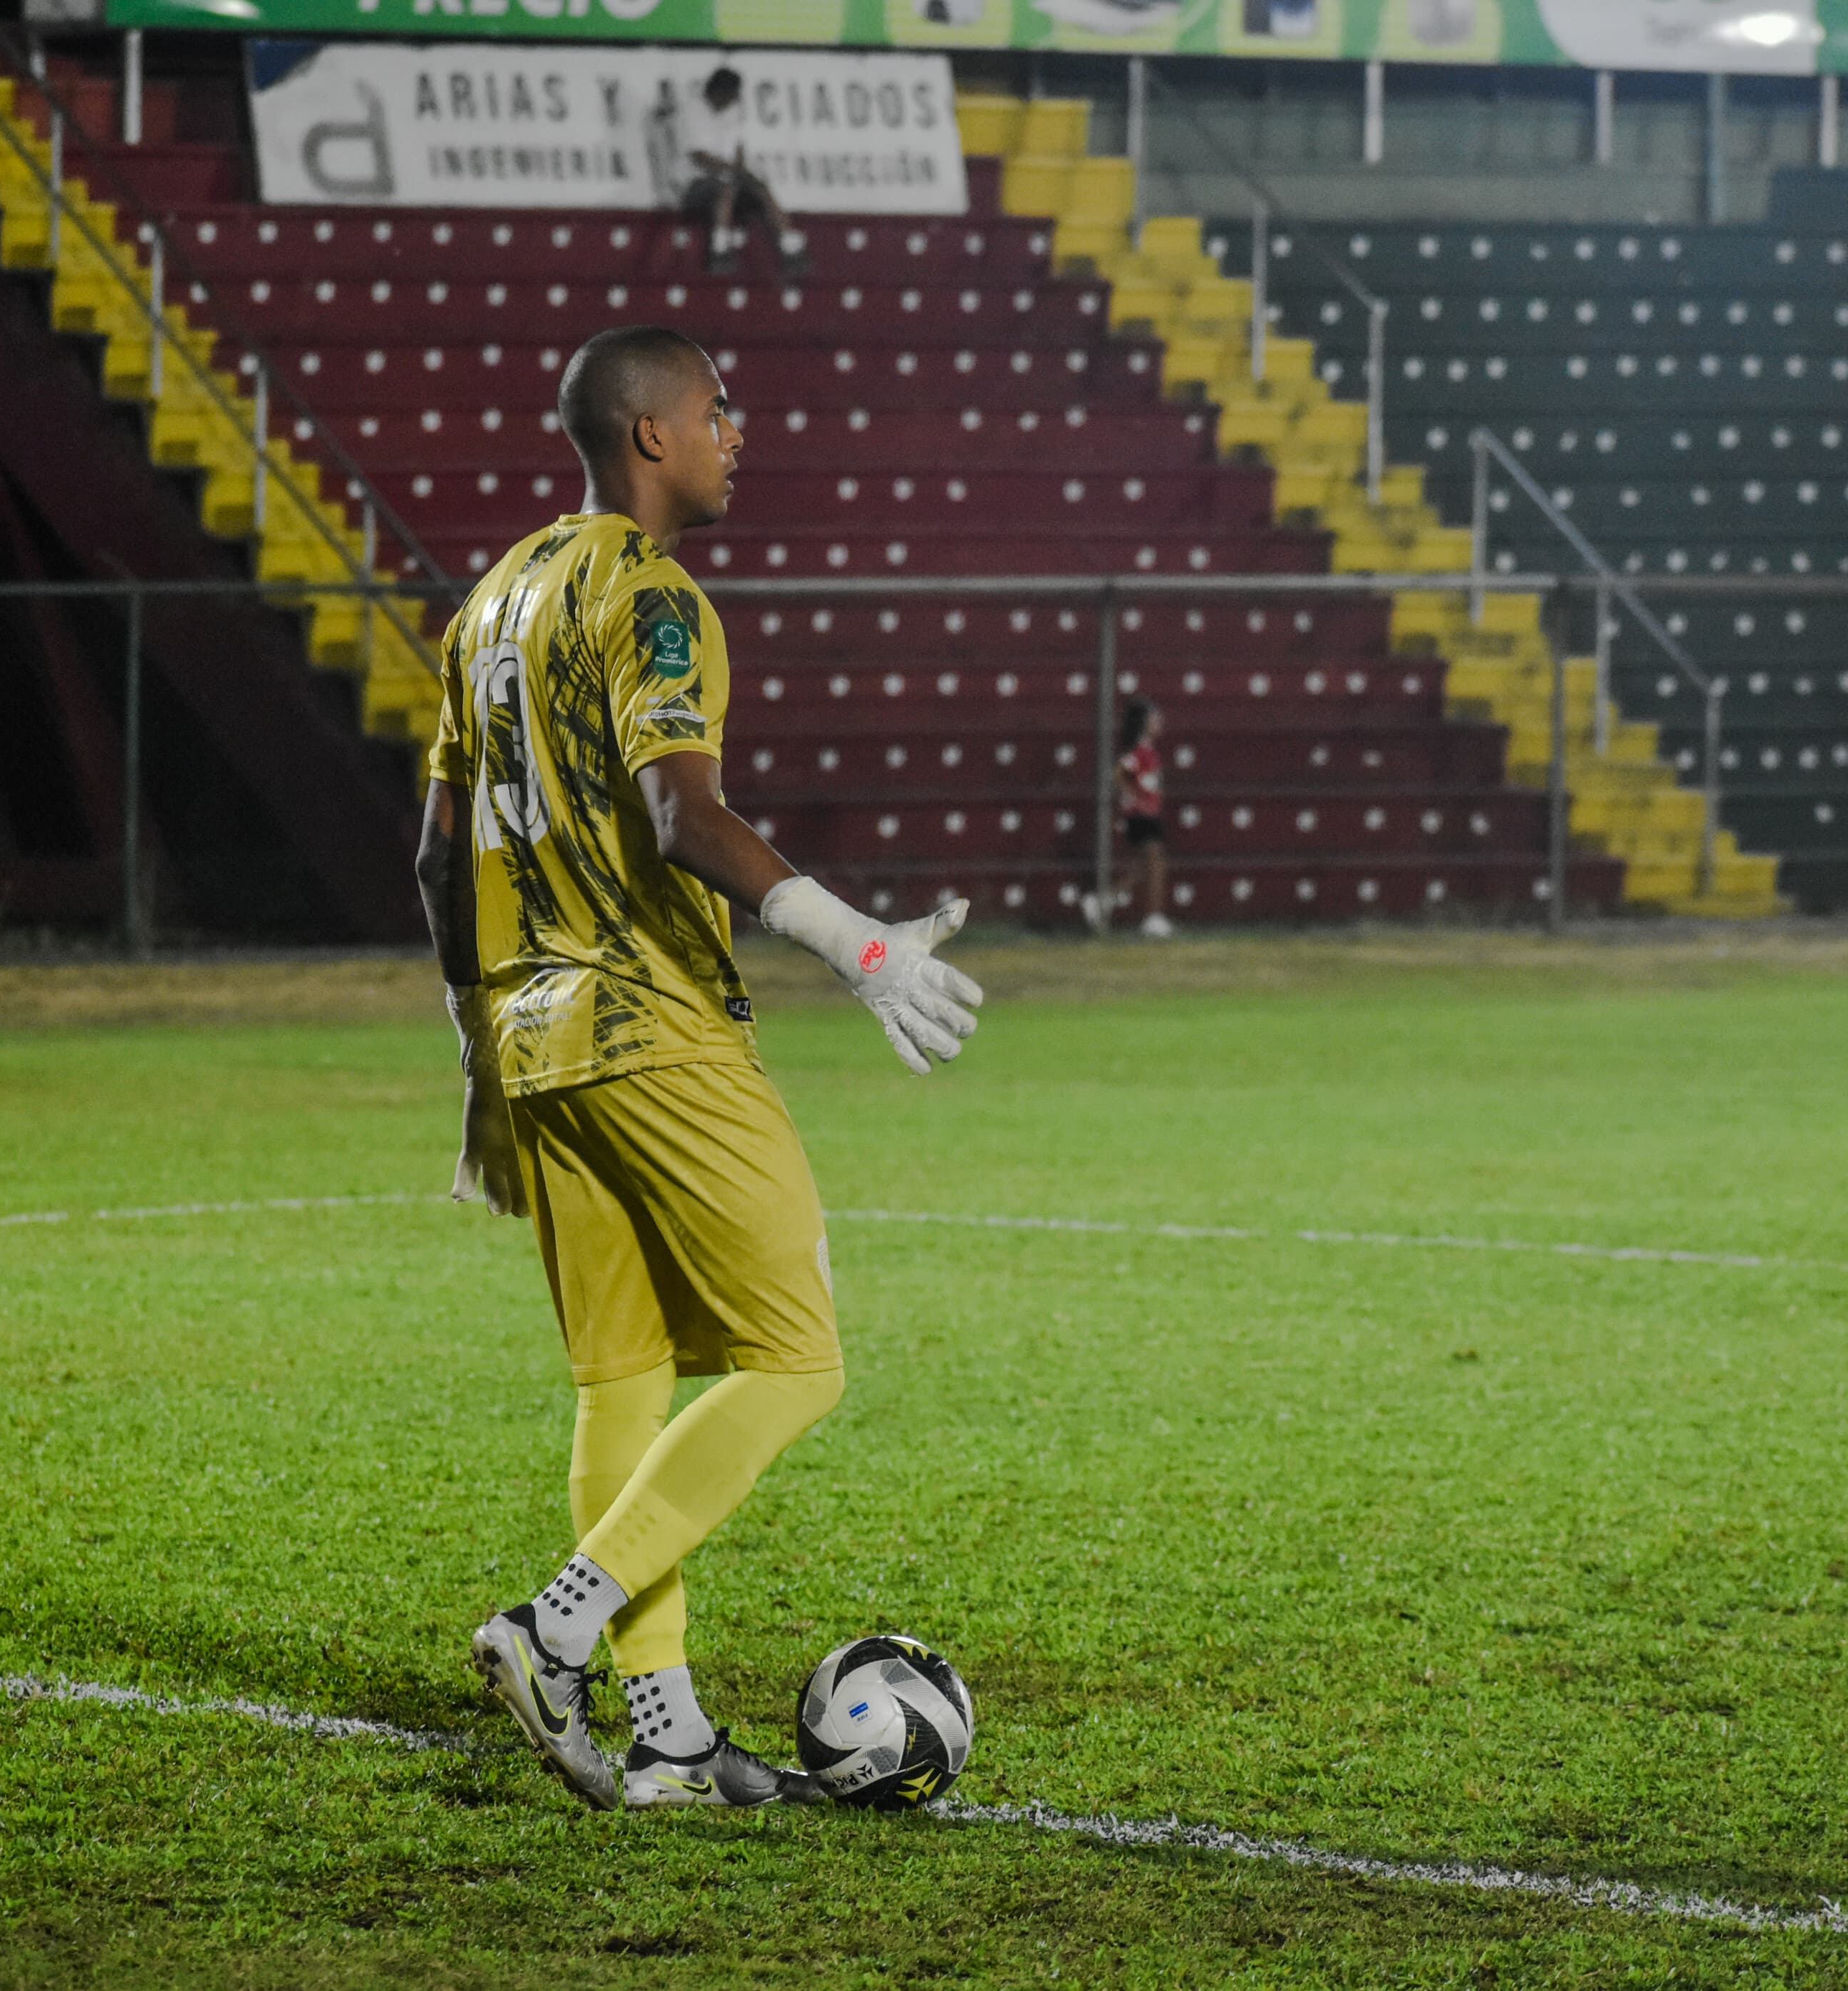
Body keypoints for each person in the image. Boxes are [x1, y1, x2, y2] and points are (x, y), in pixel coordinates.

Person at [417, 325, 984, 1812]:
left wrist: (480, 1066)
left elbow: (434, 856)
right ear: (650, 435)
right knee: (796, 1358)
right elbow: (680, 818)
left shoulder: (489, 603)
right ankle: (557, 1626)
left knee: (625, 1376)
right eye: (720, 412)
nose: (739, 433)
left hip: (535, 1046)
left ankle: (663, 1730)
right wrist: (864, 948)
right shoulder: (650, 598)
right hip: (647, 1022)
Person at [671, 67, 808, 280]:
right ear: (719, 92)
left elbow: (738, 149)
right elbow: (700, 157)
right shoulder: (692, 111)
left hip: (728, 179)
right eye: (732, 95)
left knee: (759, 186)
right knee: (727, 186)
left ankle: (791, 248)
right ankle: (719, 250)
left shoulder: (733, 111)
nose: (735, 100)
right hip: (694, 184)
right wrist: (735, 172)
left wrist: (743, 173)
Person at [1114, 698, 1173, 938]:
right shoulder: (1140, 751)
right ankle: (1153, 916)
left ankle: (1104, 901)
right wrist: (1134, 798)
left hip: (1149, 814)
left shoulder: (1149, 750)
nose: (1159, 722)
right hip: (1141, 816)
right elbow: (1120, 773)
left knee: (1144, 867)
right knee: (1155, 863)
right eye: (1154, 718)